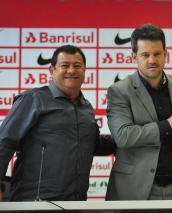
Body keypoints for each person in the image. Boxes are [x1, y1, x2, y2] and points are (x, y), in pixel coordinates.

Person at [105, 24, 172, 200]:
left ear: (165, 54)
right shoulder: (119, 91)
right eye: (145, 55)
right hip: (135, 190)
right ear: (134, 56)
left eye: (157, 54)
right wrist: (168, 124)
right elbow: (123, 136)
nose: (152, 60)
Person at [0, 45, 116, 201]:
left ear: (84, 70)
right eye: (65, 65)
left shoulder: (86, 107)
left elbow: (92, 144)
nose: (71, 70)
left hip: (76, 204)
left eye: (77, 66)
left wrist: (129, 138)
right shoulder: (33, 99)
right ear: (51, 69)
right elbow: (4, 141)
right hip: (34, 204)